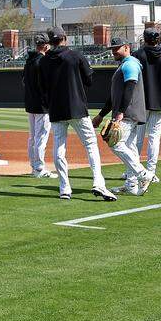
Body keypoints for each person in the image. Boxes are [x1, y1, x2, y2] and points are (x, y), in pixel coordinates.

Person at [38, 26, 117, 201]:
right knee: (90, 145)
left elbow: (42, 88)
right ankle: (98, 183)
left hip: (56, 110)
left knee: (59, 147)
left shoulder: (43, 61)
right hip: (77, 108)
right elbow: (89, 80)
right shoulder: (76, 56)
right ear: (64, 38)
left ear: (50, 41)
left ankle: (64, 188)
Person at [94, 37, 153, 196]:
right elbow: (114, 95)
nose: (113, 51)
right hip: (128, 112)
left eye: (117, 48)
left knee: (115, 143)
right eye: (112, 48)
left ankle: (143, 174)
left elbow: (130, 88)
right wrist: (101, 115)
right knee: (130, 147)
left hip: (127, 113)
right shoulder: (125, 64)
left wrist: (120, 112)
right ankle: (131, 185)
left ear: (126, 47)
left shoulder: (130, 64)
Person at [131, 28, 161, 181]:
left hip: (141, 102)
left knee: (137, 139)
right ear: (158, 39)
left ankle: (135, 171)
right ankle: (150, 173)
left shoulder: (138, 55)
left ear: (144, 39)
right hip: (160, 102)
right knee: (154, 138)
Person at [22, 33, 55, 178]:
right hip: (42, 105)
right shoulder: (43, 61)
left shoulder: (29, 60)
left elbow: (23, 81)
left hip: (31, 103)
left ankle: (34, 167)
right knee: (41, 137)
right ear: (46, 45)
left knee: (33, 137)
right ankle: (39, 168)